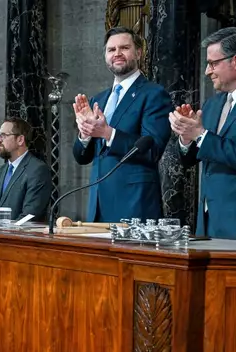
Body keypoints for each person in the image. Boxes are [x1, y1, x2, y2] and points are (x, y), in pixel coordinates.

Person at [169, 27, 236, 239]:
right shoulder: (213, 104)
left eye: (213, 63)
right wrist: (187, 138)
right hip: (208, 220)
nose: (207, 71)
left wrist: (200, 134)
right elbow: (193, 158)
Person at [72, 26, 172, 223]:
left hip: (134, 204)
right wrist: (85, 134)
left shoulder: (153, 94)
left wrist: (108, 133)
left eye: (124, 48)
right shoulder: (98, 99)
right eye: (111, 50)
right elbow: (81, 157)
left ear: (138, 52)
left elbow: (152, 151)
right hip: (98, 205)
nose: (117, 54)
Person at [0, 117, 51, 221]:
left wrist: (4, 232)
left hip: (20, 236)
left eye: (3, 135)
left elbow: (30, 215)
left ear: (20, 140)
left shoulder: (38, 170)